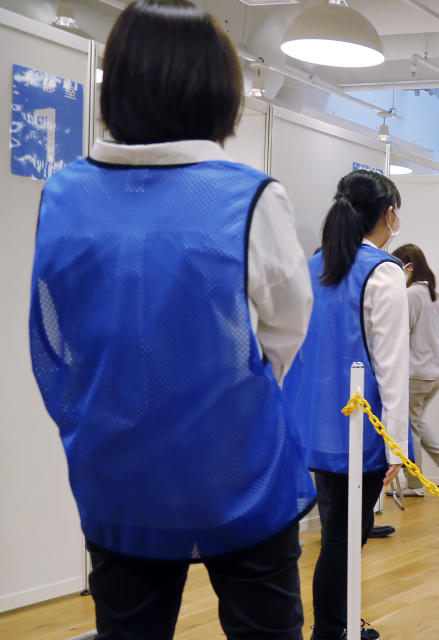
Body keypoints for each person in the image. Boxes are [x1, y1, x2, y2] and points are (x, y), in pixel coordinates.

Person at [28, 2, 315, 638]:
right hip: (241, 474)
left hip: (117, 476)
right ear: (220, 91)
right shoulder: (250, 197)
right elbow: (286, 328)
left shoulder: (62, 194)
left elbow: (57, 332)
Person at [283, 170, 409, 640]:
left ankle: (338, 621)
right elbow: (391, 366)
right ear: (388, 215)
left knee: (336, 533)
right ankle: (332, 629)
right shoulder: (384, 272)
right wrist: (397, 444)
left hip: (315, 423)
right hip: (360, 429)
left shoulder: (315, 264)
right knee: (342, 537)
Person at [391, 243, 439, 495]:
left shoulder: (411, 295)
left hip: (415, 372)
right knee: (416, 423)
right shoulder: (433, 294)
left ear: (408, 267)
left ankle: (415, 484)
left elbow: (400, 330)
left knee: (410, 429)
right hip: (435, 372)